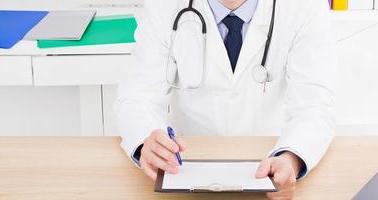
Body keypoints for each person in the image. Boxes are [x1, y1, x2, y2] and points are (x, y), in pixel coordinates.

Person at [116, 0, 336, 199]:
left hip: (269, 168)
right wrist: (148, 142)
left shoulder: (305, 6)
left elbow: (315, 105)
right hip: (184, 173)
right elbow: (136, 98)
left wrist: (291, 157)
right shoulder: (164, 6)